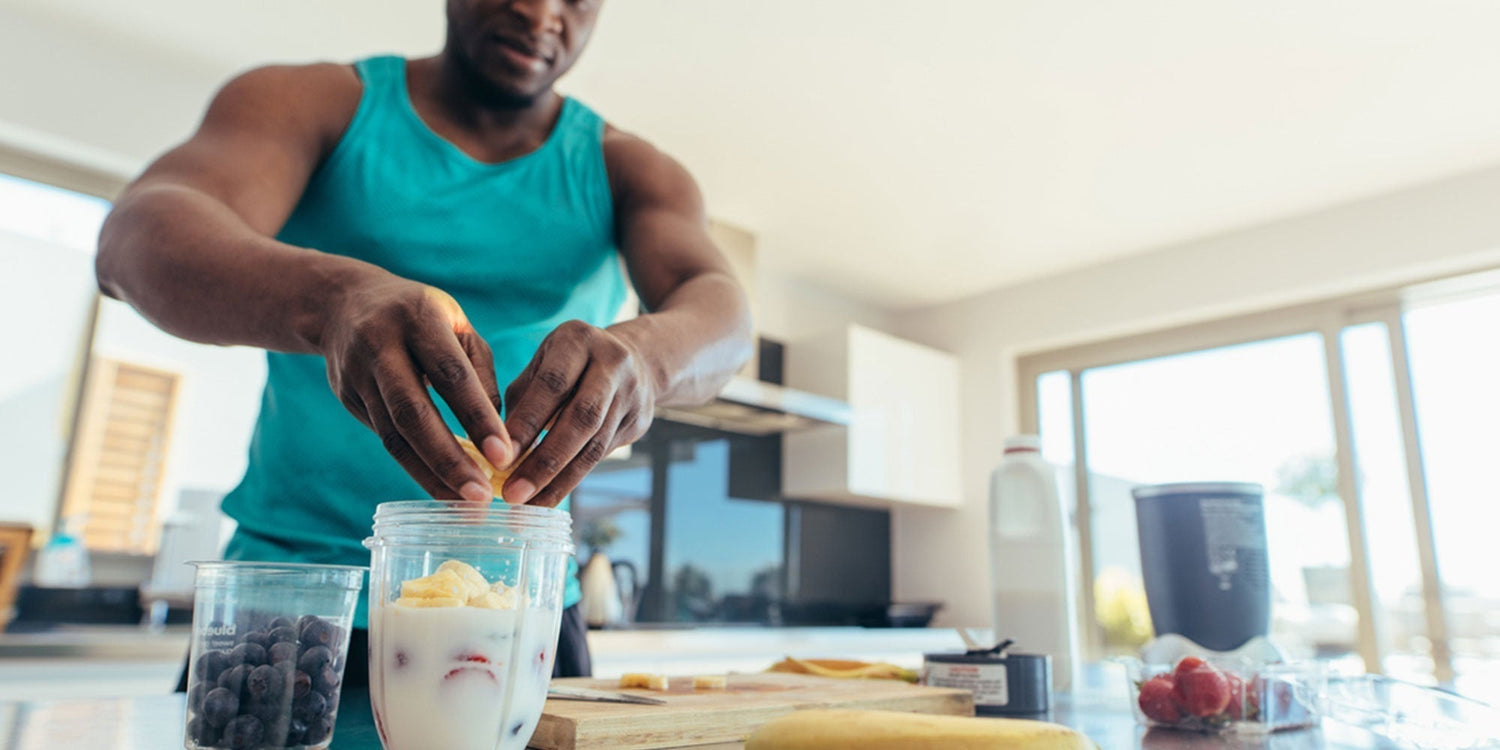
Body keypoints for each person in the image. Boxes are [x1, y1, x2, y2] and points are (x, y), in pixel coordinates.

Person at [96, 0, 752, 687]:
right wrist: (332, 299)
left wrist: (649, 358)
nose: (539, 11)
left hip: (517, 609)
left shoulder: (630, 170)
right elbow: (134, 240)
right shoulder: (314, 102)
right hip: (296, 599)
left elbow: (723, 314)